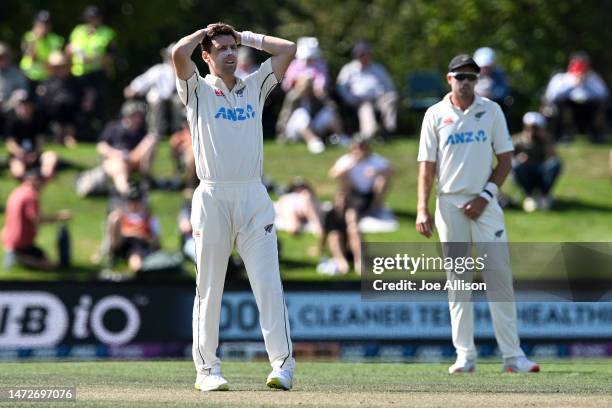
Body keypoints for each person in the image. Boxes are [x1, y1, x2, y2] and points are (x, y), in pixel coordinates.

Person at [172, 22, 296, 391]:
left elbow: (288, 49)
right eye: (221, 48)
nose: (230, 53)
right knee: (209, 287)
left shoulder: (254, 86)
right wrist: (201, 33)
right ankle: (207, 370)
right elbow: (179, 54)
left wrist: (245, 38)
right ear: (207, 57)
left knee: (268, 285)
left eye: (233, 48)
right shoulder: (196, 89)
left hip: (253, 197)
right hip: (212, 196)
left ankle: (282, 367)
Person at [416, 54, 539, 374]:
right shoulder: (435, 114)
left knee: (499, 278)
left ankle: (513, 357)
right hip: (449, 204)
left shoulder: (491, 110)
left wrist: (485, 196)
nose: (466, 82)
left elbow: (506, 160)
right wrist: (421, 208)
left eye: (472, 77)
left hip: (485, 204)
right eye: (461, 77)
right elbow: (427, 166)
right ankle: (465, 356)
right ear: (449, 79)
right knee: (459, 282)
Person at [2, 169, 72, 270]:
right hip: (20, 243)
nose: (43, 184)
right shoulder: (30, 196)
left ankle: (16, 255)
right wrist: (59, 216)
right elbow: (36, 219)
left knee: (44, 257)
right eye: (41, 181)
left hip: (10, 238)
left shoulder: (17, 191)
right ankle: (18, 257)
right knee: (50, 267)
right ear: (33, 180)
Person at [66, 5, 116, 132]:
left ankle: (99, 133)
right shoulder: (78, 31)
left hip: (97, 74)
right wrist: (72, 52)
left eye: (94, 18)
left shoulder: (107, 33)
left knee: (98, 105)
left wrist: (91, 58)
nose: (92, 21)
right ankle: (78, 132)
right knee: (78, 104)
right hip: (78, 74)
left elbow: (110, 57)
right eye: (89, 18)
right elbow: (68, 50)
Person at [336, 40, 397, 140]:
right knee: (366, 108)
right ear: (356, 55)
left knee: (391, 98)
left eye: (366, 54)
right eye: (361, 54)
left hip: (378, 100)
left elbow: (389, 87)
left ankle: (388, 130)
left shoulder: (378, 68)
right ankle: (369, 134)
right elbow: (341, 88)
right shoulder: (348, 69)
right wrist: (351, 99)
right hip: (359, 101)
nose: (364, 57)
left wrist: (386, 95)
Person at [543, 51, 609, 143]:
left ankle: (597, 135)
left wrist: (586, 83)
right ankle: (566, 134)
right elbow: (552, 96)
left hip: (588, 109)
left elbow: (604, 95)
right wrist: (573, 84)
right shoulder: (561, 78)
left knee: (600, 107)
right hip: (566, 108)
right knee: (565, 106)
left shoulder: (593, 78)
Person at [97, 100, 157, 195]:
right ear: (128, 114)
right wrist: (117, 154)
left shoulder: (142, 132)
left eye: (140, 115)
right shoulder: (114, 127)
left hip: (133, 158)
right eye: (136, 115)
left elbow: (141, 150)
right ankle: (125, 192)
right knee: (119, 166)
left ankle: (146, 178)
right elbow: (101, 147)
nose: (139, 118)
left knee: (151, 140)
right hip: (114, 160)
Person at [275, 74, 346, 153]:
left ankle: (341, 137)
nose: (308, 87)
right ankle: (313, 141)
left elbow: (332, 107)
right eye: (306, 85)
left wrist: (323, 96)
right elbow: (285, 116)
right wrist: (281, 134)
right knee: (301, 113)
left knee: (329, 111)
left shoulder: (315, 96)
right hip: (294, 130)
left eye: (310, 85)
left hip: (312, 127)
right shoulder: (293, 97)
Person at [124, 43, 183, 138]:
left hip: (176, 97)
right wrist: (133, 88)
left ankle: (178, 131)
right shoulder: (159, 69)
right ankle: (155, 132)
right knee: (156, 100)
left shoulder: (184, 69)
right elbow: (144, 80)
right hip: (158, 96)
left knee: (178, 102)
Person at [36, 51, 90, 147]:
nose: (59, 69)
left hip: (73, 108)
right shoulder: (48, 81)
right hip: (54, 108)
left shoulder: (75, 80)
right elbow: (42, 94)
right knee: (57, 108)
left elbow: (87, 91)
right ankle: (59, 136)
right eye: (57, 67)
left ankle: (69, 136)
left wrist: (87, 101)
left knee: (68, 108)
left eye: (62, 66)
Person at [329, 137, 392, 217]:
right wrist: (349, 167)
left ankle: (375, 207)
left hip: (371, 192)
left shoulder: (375, 159)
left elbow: (391, 171)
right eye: (356, 148)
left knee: (382, 180)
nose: (359, 151)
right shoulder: (346, 160)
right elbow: (332, 175)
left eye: (362, 148)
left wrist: (377, 171)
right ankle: (341, 208)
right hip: (351, 191)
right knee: (342, 177)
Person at [512, 112, 562, 212]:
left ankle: (544, 196)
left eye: (536, 128)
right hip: (525, 173)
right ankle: (529, 196)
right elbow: (507, 158)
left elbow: (553, 157)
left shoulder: (546, 140)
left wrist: (545, 140)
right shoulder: (517, 140)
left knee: (555, 163)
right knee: (515, 164)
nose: (533, 130)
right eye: (530, 127)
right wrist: (518, 158)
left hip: (541, 172)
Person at [4, 91, 58, 180]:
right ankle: (30, 178)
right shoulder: (11, 120)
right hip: (18, 156)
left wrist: (35, 153)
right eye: (21, 105)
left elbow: (40, 139)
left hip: (35, 153)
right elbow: (10, 142)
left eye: (27, 104)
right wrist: (21, 154)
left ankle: (41, 176)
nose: (24, 107)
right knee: (18, 172)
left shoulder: (38, 118)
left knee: (51, 156)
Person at [107, 185, 160, 272]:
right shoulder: (121, 215)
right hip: (123, 242)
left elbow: (156, 241)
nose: (134, 203)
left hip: (140, 244)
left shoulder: (149, 218)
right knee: (113, 219)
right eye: (131, 201)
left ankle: (138, 270)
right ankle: (113, 254)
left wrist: (144, 237)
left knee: (135, 254)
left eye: (136, 200)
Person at [317, 191, 362, 275]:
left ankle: (359, 261)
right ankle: (341, 262)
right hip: (337, 246)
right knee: (334, 235)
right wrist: (320, 248)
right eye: (340, 200)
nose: (342, 203)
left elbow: (357, 233)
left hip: (351, 247)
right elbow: (325, 234)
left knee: (353, 230)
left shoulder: (351, 213)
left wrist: (351, 219)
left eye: (344, 201)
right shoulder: (330, 214)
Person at [20, 10, 65, 86]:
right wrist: (37, 39)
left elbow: (57, 61)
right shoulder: (29, 37)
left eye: (47, 23)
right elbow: (32, 58)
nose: (44, 26)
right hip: (28, 75)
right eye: (41, 23)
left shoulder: (55, 39)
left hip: (47, 77)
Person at [0, 42, 28, 129]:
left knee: (23, 107)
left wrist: (16, 97)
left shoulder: (16, 72)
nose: (2, 60)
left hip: (11, 103)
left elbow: (23, 89)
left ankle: (13, 137)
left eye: (4, 57)